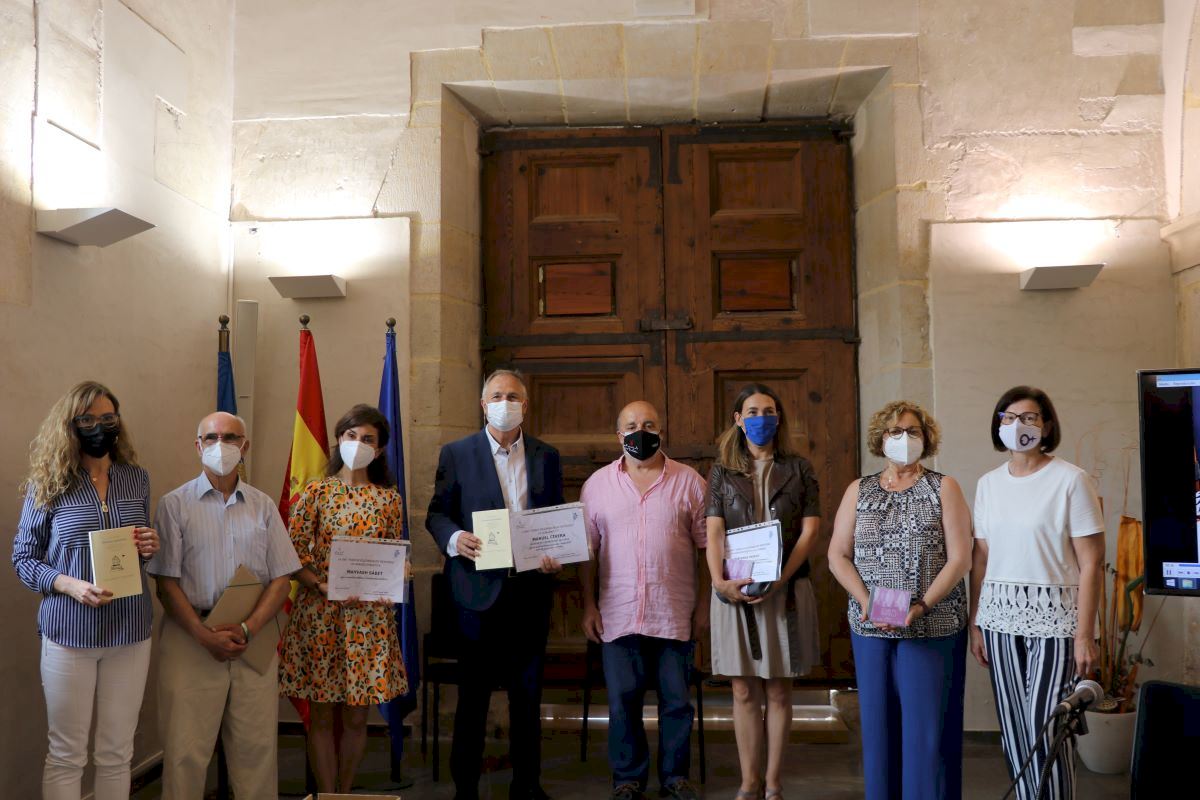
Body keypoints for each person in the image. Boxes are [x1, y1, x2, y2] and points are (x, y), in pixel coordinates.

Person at [11, 381, 160, 800]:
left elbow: (138, 552)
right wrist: (69, 584)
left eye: (108, 418)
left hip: (130, 632)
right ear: (71, 425)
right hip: (69, 634)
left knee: (117, 752)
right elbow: (23, 558)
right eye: (89, 419)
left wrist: (149, 545)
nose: (100, 426)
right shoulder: (49, 482)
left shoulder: (136, 479)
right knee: (66, 754)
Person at [426, 369, 565, 800]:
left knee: (528, 698)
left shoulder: (547, 456)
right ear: (483, 404)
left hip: (529, 593)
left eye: (514, 396)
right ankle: (465, 789)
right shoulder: (457, 453)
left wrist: (554, 553)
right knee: (473, 699)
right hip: (476, 594)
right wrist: (455, 539)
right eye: (497, 396)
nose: (506, 403)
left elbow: (555, 517)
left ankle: (527, 786)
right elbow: (437, 514)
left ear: (526, 405)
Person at [148, 411, 301, 800]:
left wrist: (249, 628)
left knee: (256, 754)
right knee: (185, 755)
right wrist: (204, 636)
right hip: (191, 638)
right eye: (212, 438)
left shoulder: (263, 506)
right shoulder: (174, 505)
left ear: (244, 446)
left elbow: (282, 577)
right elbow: (166, 583)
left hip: (253, 639)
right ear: (198, 446)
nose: (221, 445)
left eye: (231, 438)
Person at [827, 401, 972, 800]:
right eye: (895, 431)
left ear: (926, 439)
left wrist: (921, 605)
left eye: (913, 431)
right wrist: (866, 603)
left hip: (931, 626)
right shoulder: (858, 489)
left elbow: (961, 558)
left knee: (927, 737)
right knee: (879, 733)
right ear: (881, 438)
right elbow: (837, 555)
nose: (904, 438)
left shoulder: (944, 487)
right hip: (870, 629)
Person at [969, 386, 1105, 800]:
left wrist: (1085, 635)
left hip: (1056, 622)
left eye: (1029, 418)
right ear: (999, 426)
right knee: (1014, 733)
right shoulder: (988, 484)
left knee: (1046, 730)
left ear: (1046, 426)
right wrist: (976, 623)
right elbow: (981, 559)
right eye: (1009, 418)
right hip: (998, 620)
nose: (1019, 426)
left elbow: (1092, 562)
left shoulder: (1071, 480)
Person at [580, 401, 708, 800]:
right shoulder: (597, 485)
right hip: (617, 614)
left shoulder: (690, 482)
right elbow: (587, 552)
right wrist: (588, 605)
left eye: (649, 424)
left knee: (676, 702)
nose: (641, 431)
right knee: (623, 702)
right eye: (632, 425)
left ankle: (675, 778)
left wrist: (705, 606)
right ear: (619, 436)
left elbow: (708, 548)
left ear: (661, 431)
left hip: (674, 612)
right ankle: (628, 779)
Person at [279, 404, 409, 793]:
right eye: (351, 436)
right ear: (339, 439)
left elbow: (393, 554)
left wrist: (397, 575)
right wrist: (320, 584)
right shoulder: (316, 492)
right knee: (321, 716)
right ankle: (327, 793)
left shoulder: (389, 499)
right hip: (321, 617)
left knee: (356, 718)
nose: (358, 443)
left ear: (379, 449)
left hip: (369, 623)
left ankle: (345, 793)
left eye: (368, 438)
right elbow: (292, 555)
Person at [705, 383, 821, 800]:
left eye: (768, 411)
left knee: (778, 689)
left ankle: (773, 783)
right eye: (752, 412)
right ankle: (748, 781)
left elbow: (810, 532)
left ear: (778, 417)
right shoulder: (721, 471)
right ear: (738, 420)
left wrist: (780, 578)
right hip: (735, 588)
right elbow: (713, 531)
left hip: (785, 589)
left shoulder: (799, 468)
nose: (761, 418)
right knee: (742, 689)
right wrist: (719, 581)